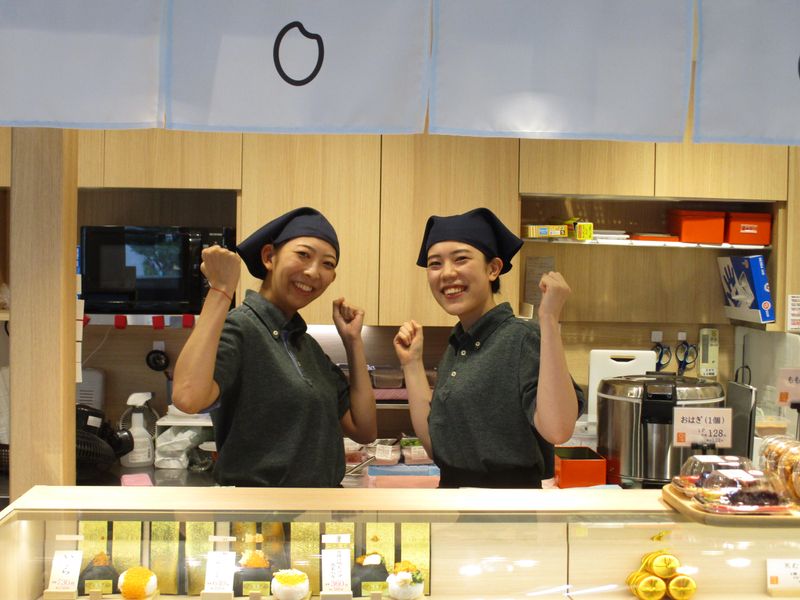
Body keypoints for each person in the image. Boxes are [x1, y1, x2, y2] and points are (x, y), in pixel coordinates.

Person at [172, 207, 377, 487]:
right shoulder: (241, 328)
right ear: (269, 257)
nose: (313, 271)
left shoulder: (308, 347)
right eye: (303, 255)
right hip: (261, 508)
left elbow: (364, 430)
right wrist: (221, 290)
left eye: (328, 264)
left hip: (320, 506)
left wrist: (353, 342)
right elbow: (187, 397)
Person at [393, 208, 584, 488]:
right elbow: (438, 447)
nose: (447, 273)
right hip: (454, 500)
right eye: (435, 264)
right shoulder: (459, 344)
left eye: (461, 259)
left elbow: (558, 430)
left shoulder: (521, 338)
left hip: (508, 507)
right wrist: (411, 364)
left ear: (493, 269)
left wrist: (548, 320)